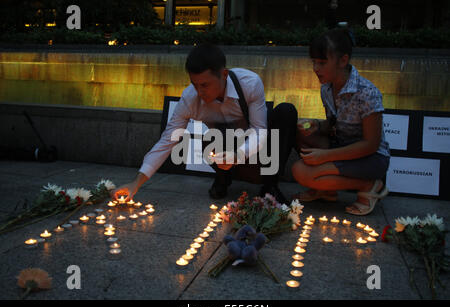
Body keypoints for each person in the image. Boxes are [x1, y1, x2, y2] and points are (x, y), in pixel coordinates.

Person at [112, 44, 298, 204]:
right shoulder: (189, 99)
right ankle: (222, 178)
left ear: (224, 75)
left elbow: (259, 130)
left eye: (205, 85)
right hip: (220, 148)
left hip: (255, 149)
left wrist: (239, 154)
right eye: (194, 84)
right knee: (213, 136)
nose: (199, 91)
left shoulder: (249, 83)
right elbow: (167, 141)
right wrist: (135, 183)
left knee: (286, 112)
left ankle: (270, 186)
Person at [292, 29, 390, 215]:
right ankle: (326, 190)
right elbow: (334, 124)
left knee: (302, 172)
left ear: (343, 60)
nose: (315, 68)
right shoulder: (326, 88)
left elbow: (371, 144)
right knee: (299, 133)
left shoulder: (367, 92)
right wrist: (317, 126)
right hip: (341, 146)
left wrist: (325, 156)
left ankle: (369, 185)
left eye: (322, 62)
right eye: (313, 62)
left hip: (370, 158)